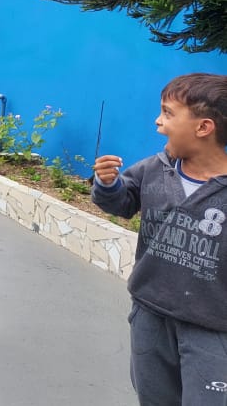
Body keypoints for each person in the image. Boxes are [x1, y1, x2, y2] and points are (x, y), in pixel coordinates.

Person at [91, 73, 227, 405]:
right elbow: (123, 203)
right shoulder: (156, 168)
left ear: (203, 127)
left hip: (212, 331)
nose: (158, 121)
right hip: (150, 317)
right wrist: (108, 185)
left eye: (167, 113)